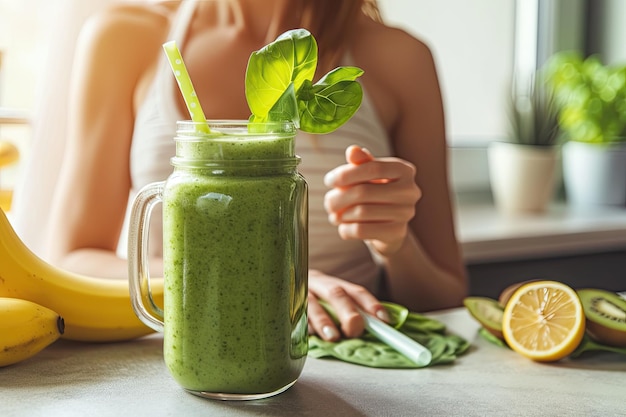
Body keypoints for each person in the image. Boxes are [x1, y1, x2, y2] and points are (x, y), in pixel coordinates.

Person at [34, 0, 467, 342]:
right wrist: (267, 280)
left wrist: (393, 243)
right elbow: (72, 259)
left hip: (341, 350)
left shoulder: (400, 57)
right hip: (185, 341)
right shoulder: (126, 36)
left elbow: (445, 295)